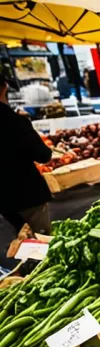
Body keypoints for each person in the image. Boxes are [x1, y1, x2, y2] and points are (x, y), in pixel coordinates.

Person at [0, 78, 53, 234]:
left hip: (4, 201)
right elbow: (43, 155)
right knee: (42, 242)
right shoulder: (14, 121)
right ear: (3, 88)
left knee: (22, 238)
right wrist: (27, 126)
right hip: (27, 195)